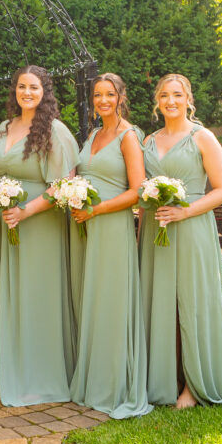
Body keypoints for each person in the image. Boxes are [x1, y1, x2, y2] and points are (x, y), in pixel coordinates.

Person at [139, 73, 222, 408]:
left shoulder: (203, 138)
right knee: (159, 302)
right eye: (164, 95)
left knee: (190, 303)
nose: (170, 101)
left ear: (188, 99)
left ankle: (193, 384)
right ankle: (163, 379)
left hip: (191, 229)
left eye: (177, 95)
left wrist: (184, 212)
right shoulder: (147, 140)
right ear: (157, 102)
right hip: (154, 232)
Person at [0, 65, 78, 406]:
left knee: (37, 295)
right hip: (4, 220)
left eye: (34, 87)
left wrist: (26, 211)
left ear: (45, 92)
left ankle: (41, 375)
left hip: (38, 222)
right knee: (10, 293)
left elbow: (64, 185)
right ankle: (13, 370)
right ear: (15, 90)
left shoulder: (54, 130)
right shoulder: (4, 127)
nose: (27, 92)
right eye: (22, 86)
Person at [69, 72, 152, 418]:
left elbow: (138, 191)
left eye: (109, 94)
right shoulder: (93, 134)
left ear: (121, 97)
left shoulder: (127, 136)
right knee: (94, 299)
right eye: (97, 95)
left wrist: (97, 209)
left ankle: (115, 384)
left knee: (112, 301)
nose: (103, 100)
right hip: (86, 226)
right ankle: (92, 381)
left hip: (112, 225)